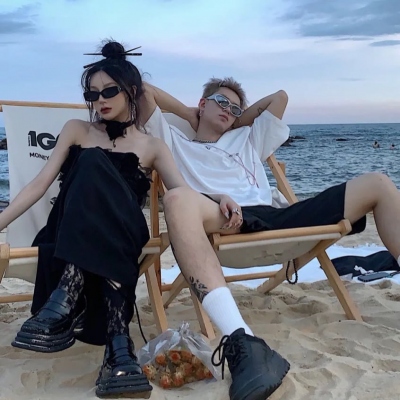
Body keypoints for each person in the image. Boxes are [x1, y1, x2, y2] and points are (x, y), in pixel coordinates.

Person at [1, 42, 240, 399]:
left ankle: (66, 295)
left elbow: (181, 191)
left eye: (109, 91)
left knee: (95, 167)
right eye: (92, 93)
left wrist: (218, 196)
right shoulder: (77, 129)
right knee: (92, 162)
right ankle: (118, 342)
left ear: (131, 91)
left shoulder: (152, 146)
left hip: (122, 233)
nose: (100, 100)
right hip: (71, 230)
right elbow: (39, 183)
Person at [140, 77, 400, 400]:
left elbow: (280, 97)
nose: (228, 110)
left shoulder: (249, 138)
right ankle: (243, 340)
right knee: (177, 200)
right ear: (202, 104)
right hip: (224, 218)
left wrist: (236, 120)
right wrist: (188, 113)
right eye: (221, 102)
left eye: (235, 108)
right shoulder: (173, 141)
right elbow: (142, 90)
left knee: (379, 183)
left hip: (278, 217)